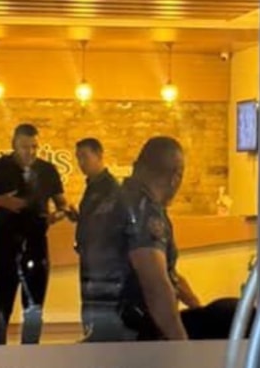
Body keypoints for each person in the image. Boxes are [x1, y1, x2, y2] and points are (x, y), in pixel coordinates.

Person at [79, 136, 200, 341]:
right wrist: (181, 343)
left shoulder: (109, 201)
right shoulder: (144, 210)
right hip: (133, 331)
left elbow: (169, 275)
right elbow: (155, 284)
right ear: (176, 177)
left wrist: (197, 307)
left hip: (100, 323)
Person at [0, 123, 71, 345]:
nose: (30, 152)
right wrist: (2, 200)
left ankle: (29, 356)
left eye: (34, 147)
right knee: (1, 305)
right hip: (5, 246)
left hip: (36, 245)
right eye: (25, 147)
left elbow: (63, 205)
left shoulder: (48, 170)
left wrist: (56, 216)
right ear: (14, 145)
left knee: (34, 308)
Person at [71, 137, 120, 338]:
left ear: (99, 155)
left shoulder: (110, 187)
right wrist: (78, 218)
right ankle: (92, 337)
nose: (81, 163)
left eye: (85, 156)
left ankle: (100, 340)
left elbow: (106, 222)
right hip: (90, 255)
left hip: (103, 259)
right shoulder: (92, 186)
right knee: (89, 301)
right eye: (78, 158)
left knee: (100, 304)